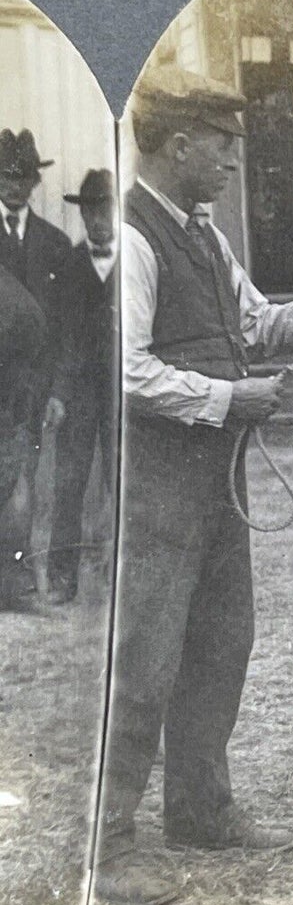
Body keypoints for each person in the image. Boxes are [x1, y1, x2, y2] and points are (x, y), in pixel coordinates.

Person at [97, 65, 293, 905]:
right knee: (143, 659)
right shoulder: (135, 236)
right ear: (178, 144)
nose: (230, 163)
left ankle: (198, 809)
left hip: (217, 484)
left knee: (223, 643)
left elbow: (255, 323)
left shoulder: (206, 235)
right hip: (152, 487)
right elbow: (127, 372)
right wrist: (227, 398)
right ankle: (108, 844)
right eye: (221, 148)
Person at [0, 128, 72, 603]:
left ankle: (18, 576)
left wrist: (58, 391)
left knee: (24, 476)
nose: (16, 185)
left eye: (24, 176)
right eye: (7, 175)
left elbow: (67, 329)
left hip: (35, 386)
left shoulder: (56, 243)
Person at [46, 169, 118, 604]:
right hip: (78, 394)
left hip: (124, 391)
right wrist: (57, 393)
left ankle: (126, 573)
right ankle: (61, 578)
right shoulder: (69, 264)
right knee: (68, 484)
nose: (97, 219)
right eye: (90, 210)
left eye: (105, 209)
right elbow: (59, 336)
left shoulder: (135, 262)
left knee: (123, 480)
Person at [0, 263, 45, 611]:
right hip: (15, 402)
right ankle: (14, 582)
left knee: (14, 488)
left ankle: (13, 583)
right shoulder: (14, 289)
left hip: (10, 402)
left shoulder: (11, 293)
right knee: (15, 485)